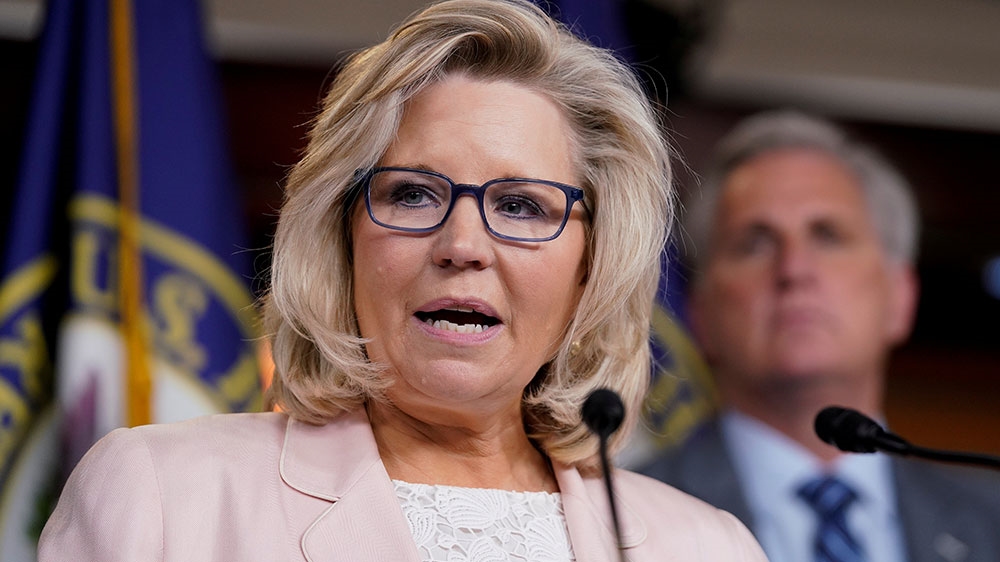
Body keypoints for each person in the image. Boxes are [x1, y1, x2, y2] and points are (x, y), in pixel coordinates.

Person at [38, 1, 768, 560]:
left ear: (591, 266)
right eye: (412, 194)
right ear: (342, 239)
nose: (462, 246)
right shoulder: (161, 495)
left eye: (521, 206)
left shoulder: (707, 546)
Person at [638, 110, 1000, 562]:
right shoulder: (622, 516)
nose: (793, 269)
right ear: (701, 313)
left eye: (828, 236)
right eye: (754, 243)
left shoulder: (992, 519)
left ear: (901, 297)